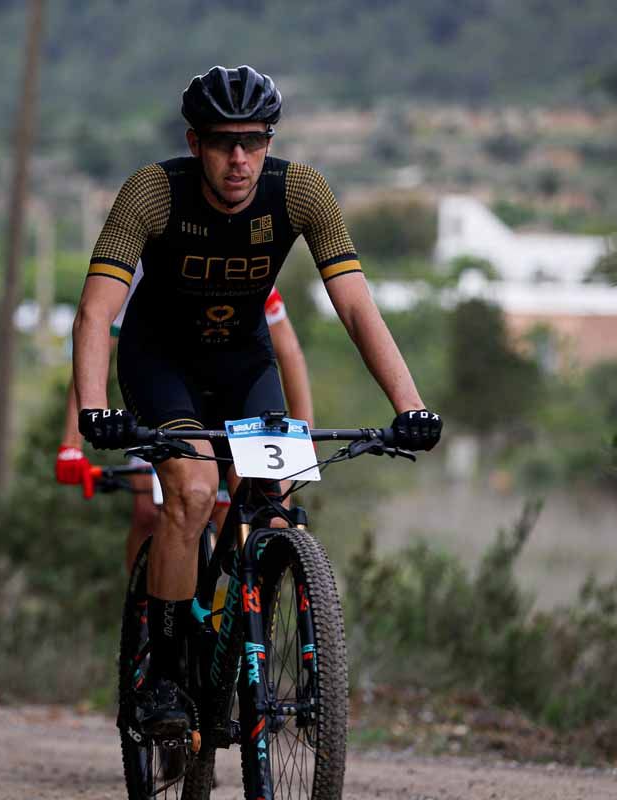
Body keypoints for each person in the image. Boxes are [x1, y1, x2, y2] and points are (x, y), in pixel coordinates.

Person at [68, 65, 442, 739]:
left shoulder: (299, 191)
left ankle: (249, 652)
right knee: (190, 489)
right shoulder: (152, 193)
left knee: (277, 493)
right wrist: (94, 408)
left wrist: (410, 406)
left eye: (254, 141)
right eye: (222, 142)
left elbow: (354, 304)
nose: (239, 159)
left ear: (270, 142)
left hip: (244, 365)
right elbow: (96, 312)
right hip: (162, 363)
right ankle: (164, 675)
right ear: (195, 142)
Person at [55, 272, 314, 573]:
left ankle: (248, 610)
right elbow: (92, 348)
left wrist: (303, 434)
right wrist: (71, 444)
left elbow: (289, 351)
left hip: (231, 392)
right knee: (150, 513)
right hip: (163, 391)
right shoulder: (139, 273)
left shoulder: (245, 271)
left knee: (262, 518)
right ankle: (150, 613)